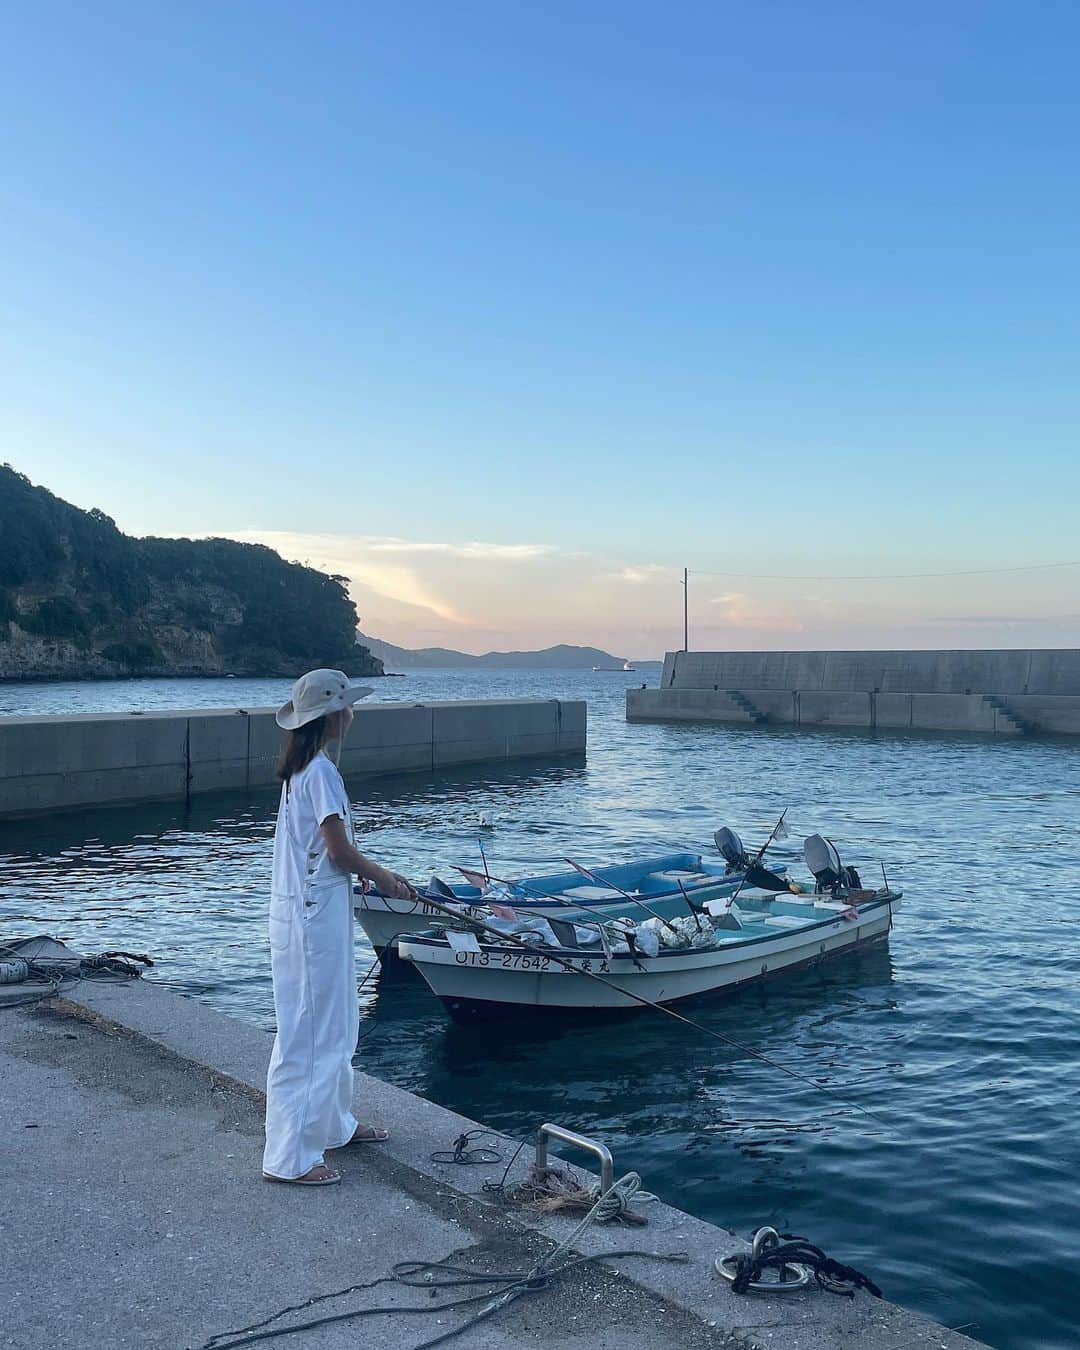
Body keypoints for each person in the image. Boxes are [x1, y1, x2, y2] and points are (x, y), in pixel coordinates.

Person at [262, 668, 417, 1186]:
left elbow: (319, 855)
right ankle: (290, 1158)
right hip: (312, 917)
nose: (352, 713)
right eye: (347, 706)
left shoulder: (301, 771)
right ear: (332, 715)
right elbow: (338, 850)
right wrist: (385, 877)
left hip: (310, 911)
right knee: (310, 1032)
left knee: (337, 1020)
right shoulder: (321, 774)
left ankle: (332, 1125)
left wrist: (361, 880)